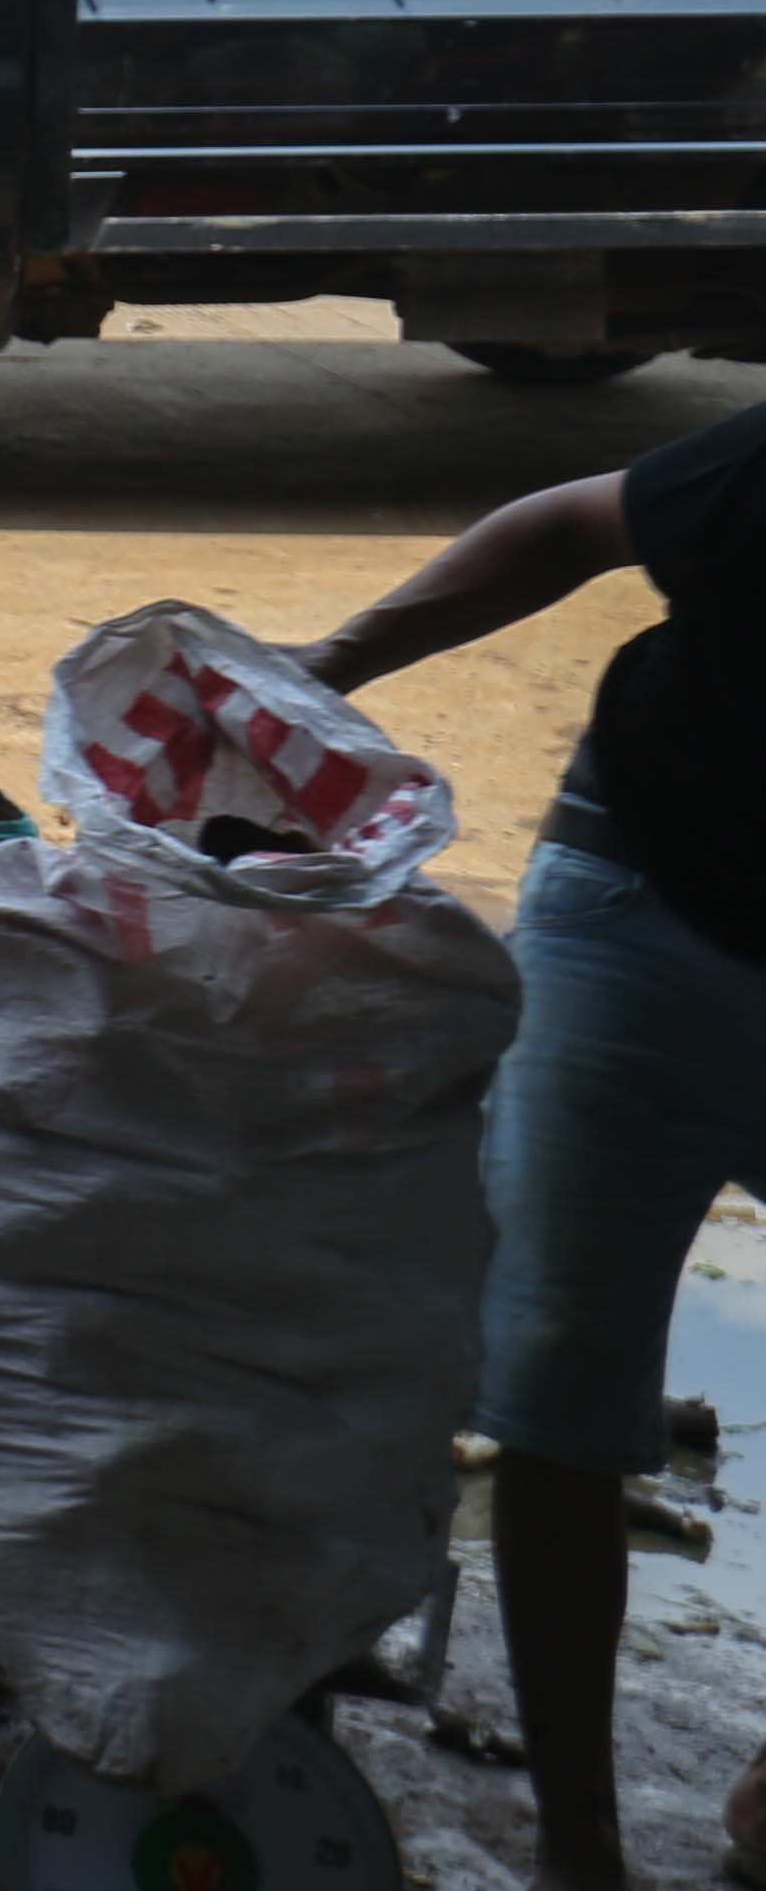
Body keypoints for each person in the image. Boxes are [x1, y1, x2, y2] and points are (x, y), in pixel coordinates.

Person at [302, 409, 766, 1891]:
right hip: (648, 909)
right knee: (561, 1373)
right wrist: (329, 670)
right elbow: (574, 524)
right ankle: (580, 1844)